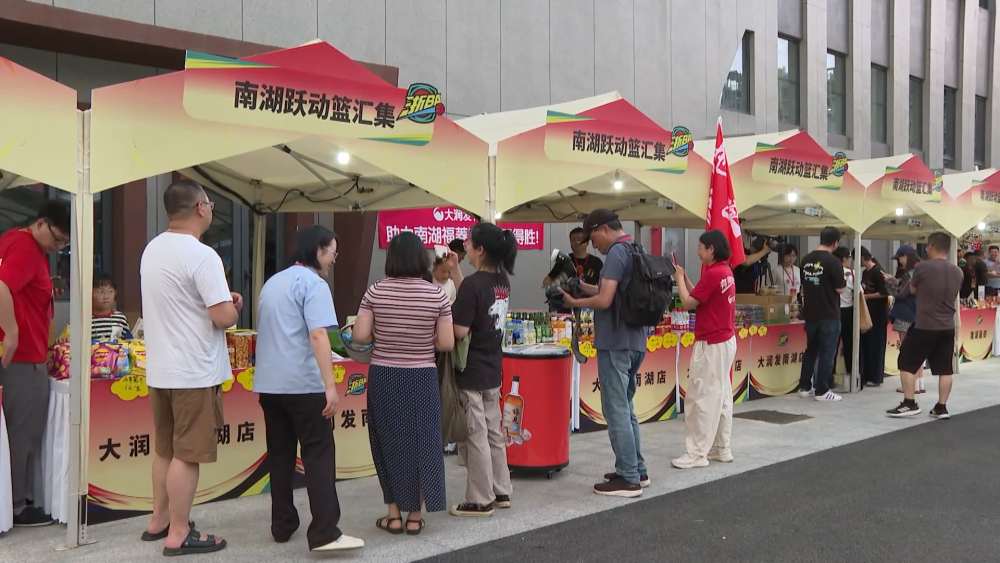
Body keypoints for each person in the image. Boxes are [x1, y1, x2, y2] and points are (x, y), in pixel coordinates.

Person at [141, 180, 241, 555]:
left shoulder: (152, 250)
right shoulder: (203, 255)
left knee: (165, 449)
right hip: (193, 372)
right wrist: (233, 306)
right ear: (201, 207)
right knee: (187, 454)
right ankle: (179, 532)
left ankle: (159, 520)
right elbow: (223, 317)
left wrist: (219, 302)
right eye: (210, 204)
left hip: (161, 369)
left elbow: (182, 302)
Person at [253, 226, 364, 552]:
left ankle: (282, 524)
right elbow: (319, 335)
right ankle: (325, 532)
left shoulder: (272, 283)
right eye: (332, 252)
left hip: (270, 385)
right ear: (318, 251)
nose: (333, 259)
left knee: (280, 454)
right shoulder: (314, 284)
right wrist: (330, 386)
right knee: (318, 454)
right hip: (303, 384)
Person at [352, 232, 453, 536]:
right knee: (422, 444)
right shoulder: (437, 296)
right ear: (422, 259)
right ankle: (414, 517)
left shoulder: (375, 292)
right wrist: (421, 339)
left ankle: (393, 515)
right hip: (422, 376)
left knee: (387, 443)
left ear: (392, 259)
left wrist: (383, 335)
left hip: (384, 376)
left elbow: (359, 336)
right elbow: (446, 343)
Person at [561, 209, 649, 497]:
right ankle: (637, 469)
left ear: (605, 229)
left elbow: (605, 299)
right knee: (627, 407)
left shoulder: (615, 253)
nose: (592, 244)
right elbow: (609, 290)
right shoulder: (635, 248)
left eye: (592, 237)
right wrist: (583, 286)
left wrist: (575, 301)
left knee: (616, 409)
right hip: (636, 340)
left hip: (615, 342)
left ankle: (628, 478)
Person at [0, 200, 69, 527]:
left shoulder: (13, 239)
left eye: (64, 243)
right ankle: (16, 504)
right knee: (22, 431)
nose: (58, 246)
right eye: (57, 238)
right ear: (40, 223)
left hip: (22, 353)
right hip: (22, 357)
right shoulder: (27, 249)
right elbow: (2, 286)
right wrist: (12, 331)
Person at [448, 223, 517, 517]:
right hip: (492, 368)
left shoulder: (473, 285)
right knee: (493, 433)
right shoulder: (501, 281)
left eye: (469, 243)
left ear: (480, 249)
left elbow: (459, 330)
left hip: (471, 370)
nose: (465, 246)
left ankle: (479, 499)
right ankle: (501, 490)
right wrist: (455, 270)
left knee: (476, 434)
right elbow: (474, 295)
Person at [670, 230, 737, 469]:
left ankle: (697, 452)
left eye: (700, 247)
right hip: (724, 340)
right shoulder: (725, 271)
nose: (698, 251)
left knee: (702, 397)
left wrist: (679, 279)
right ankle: (721, 447)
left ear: (711, 249)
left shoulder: (713, 273)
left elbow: (688, 302)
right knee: (721, 395)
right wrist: (686, 280)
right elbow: (699, 296)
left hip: (711, 342)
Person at [887, 232, 963, 419]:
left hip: (924, 324)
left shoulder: (922, 267)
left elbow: (912, 289)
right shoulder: (957, 271)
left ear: (931, 246)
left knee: (906, 362)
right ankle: (941, 407)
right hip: (947, 325)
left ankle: (909, 402)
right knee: (945, 369)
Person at [798, 227, 847, 402]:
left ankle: (805, 387)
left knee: (811, 350)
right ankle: (822, 390)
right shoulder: (834, 262)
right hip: (829, 314)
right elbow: (840, 288)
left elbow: (804, 284)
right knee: (827, 352)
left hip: (811, 313)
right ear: (836, 242)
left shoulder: (806, 259)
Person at [885, 246, 924, 395]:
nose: (899, 262)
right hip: (919, 313)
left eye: (899, 258)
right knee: (918, 350)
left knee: (907, 351)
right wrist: (897, 281)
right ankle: (919, 383)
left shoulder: (910, 273)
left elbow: (900, 294)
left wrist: (890, 282)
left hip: (905, 313)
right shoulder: (921, 270)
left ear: (905, 256)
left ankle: (911, 385)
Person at [859, 247, 889, 387]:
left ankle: (876, 377)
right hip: (867, 313)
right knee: (867, 345)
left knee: (877, 345)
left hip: (878, 314)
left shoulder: (878, 272)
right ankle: (866, 375)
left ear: (863, 257)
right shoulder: (865, 273)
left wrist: (866, 297)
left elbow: (884, 292)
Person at [832, 247, 856, 377]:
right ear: (844, 259)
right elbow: (859, 293)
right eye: (849, 258)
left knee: (832, 346)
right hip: (849, 311)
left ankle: (830, 376)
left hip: (833, 311)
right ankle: (850, 374)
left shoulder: (830, 272)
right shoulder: (852, 273)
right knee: (849, 346)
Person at [91, 273, 130, 341]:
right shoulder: (85, 320)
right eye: (101, 292)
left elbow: (128, 342)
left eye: (110, 291)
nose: (106, 296)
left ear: (115, 293)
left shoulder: (120, 318)